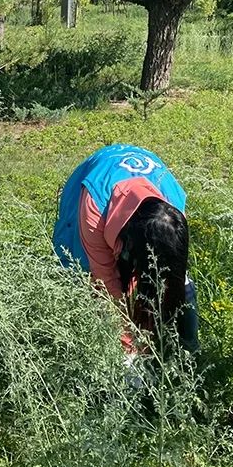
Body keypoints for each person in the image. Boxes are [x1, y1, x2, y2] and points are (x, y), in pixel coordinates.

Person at [52, 144, 199, 358]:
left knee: (180, 285)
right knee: (83, 272)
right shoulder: (94, 209)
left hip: (144, 183)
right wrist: (130, 351)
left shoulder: (173, 210)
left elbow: (173, 276)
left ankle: (191, 350)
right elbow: (106, 284)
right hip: (98, 180)